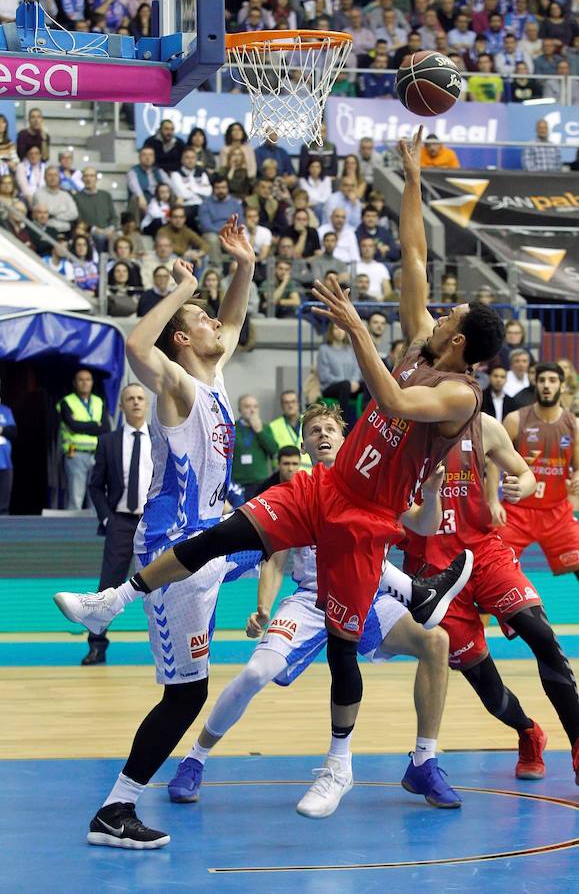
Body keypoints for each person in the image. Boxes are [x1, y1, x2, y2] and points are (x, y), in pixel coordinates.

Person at [55, 129, 506, 828]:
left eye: (447, 316)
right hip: (323, 489)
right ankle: (114, 600)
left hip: (364, 517)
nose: (434, 310)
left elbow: (390, 402)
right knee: (225, 533)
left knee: (345, 647)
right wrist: (412, 177)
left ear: (458, 343)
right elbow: (414, 255)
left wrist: (358, 330)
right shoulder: (423, 342)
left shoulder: (458, 395)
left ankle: (338, 764)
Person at [55, 218, 259, 848]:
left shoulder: (213, 379)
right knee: (184, 696)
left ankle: (394, 593)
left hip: (210, 538)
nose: (216, 326)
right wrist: (181, 289)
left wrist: (245, 266)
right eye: (203, 321)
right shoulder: (176, 385)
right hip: (175, 545)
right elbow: (136, 348)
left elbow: (230, 321)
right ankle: (115, 810)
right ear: (183, 335)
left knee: (298, 525)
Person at [173, 404, 460, 814]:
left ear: (346, 440)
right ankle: (195, 758)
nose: (322, 434)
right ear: (305, 445)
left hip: (368, 595)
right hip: (311, 598)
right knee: (256, 671)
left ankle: (423, 761)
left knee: (436, 642)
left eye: (330, 428)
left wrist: (431, 492)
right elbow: (274, 555)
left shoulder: (373, 483)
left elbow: (424, 524)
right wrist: (263, 606)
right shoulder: (301, 486)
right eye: (313, 431)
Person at [403, 409, 579, 783]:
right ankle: (529, 732)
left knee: (542, 635)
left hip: (484, 552)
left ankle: (578, 746)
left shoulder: (481, 425)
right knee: (490, 690)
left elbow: (526, 473)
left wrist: (523, 486)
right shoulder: (396, 432)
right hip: (432, 575)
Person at [83, 384, 153, 665]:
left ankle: (172, 645)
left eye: (140, 398)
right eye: (130, 399)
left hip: (154, 523)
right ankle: (96, 646)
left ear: (146, 404)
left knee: (164, 584)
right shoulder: (108, 441)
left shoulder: (161, 438)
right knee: (108, 587)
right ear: (122, 406)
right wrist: (107, 519)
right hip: (120, 522)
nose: (135, 403)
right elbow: (96, 486)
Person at [497, 363, 579, 580]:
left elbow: (578, 467)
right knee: (492, 572)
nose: (546, 385)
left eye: (553, 381)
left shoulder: (574, 425)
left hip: (557, 513)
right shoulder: (515, 420)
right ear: (535, 384)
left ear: (562, 386)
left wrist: (578, 476)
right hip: (516, 512)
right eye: (542, 380)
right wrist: (492, 501)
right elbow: (492, 460)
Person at [57, 369, 111, 511]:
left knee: (96, 496)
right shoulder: (67, 402)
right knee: (75, 497)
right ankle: (72, 531)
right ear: (75, 383)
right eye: (81, 379)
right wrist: (94, 424)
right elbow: (73, 426)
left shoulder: (99, 401)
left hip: (97, 454)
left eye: (88, 379)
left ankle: (94, 532)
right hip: (76, 454)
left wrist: (84, 425)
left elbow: (105, 428)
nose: (85, 382)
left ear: (93, 382)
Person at [231, 394, 278, 501]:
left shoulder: (265, 427)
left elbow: (274, 450)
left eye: (255, 407)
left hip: (260, 482)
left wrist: (259, 431)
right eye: (247, 406)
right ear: (240, 409)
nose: (252, 410)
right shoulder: (232, 427)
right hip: (237, 483)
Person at [317, 321, 362, 421]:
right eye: (336, 328)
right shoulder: (324, 350)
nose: (339, 332)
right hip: (330, 387)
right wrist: (348, 383)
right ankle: (342, 421)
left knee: (367, 385)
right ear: (331, 331)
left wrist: (354, 382)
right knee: (345, 385)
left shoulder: (351, 349)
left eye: (341, 328)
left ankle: (366, 420)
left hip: (350, 386)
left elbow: (357, 369)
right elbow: (324, 376)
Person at [198, 176, 244, 267]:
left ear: (227, 189)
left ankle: (239, 268)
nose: (221, 190)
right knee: (212, 239)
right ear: (213, 189)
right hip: (213, 233)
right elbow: (205, 225)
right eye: (218, 188)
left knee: (242, 237)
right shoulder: (206, 204)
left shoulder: (235, 204)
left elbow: (240, 221)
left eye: (223, 188)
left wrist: (230, 232)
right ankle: (217, 269)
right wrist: (222, 232)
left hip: (231, 233)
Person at [75, 167, 118, 252]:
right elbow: (78, 220)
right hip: (89, 232)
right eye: (86, 176)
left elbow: (114, 217)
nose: (88, 179)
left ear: (96, 179)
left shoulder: (106, 195)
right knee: (100, 237)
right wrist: (94, 229)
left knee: (119, 240)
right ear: (82, 179)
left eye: (91, 176)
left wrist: (111, 228)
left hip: (107, 230)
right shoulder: (77, 197)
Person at [269, 390, 312, 472]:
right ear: (281, 406)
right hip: (285, 475)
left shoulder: (309, 421)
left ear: (298, 403)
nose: (290, 405)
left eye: (293, 401)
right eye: (286, 402)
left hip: (309, 474)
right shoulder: (273, 426)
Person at [126, 146, 168, 219]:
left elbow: (169, 184)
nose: (148, 158)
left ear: (154, 158)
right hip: (143, 199)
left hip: (158, 198)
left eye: (150, 155)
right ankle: (137, 228)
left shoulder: (159, 171)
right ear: (139, 158)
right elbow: (134, 186)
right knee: (136, 198)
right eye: (144, 155)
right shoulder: (133, 171)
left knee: (174, 196)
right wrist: (141, 197)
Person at [0, 386, 16, 514]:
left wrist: (1, 430)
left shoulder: (5, 410)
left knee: (3, 505)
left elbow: (13, 432)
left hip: (4, 463)